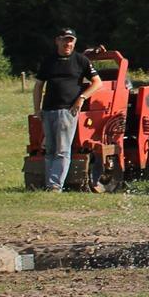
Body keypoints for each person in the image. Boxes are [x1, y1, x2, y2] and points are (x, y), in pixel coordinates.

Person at [32, 27, 103, 191]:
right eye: (65, 40)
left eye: (71, 40)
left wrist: (82, 98)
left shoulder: (81, 61)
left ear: (75, 42)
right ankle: (50, 183)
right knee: (49, 149)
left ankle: (55, 186)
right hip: (48, 110)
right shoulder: (49, 61)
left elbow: (97, 82)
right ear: (58, 41)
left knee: (62, 149)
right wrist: (37, 109)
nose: (68, 43)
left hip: (68, 110)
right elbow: (38, 86)